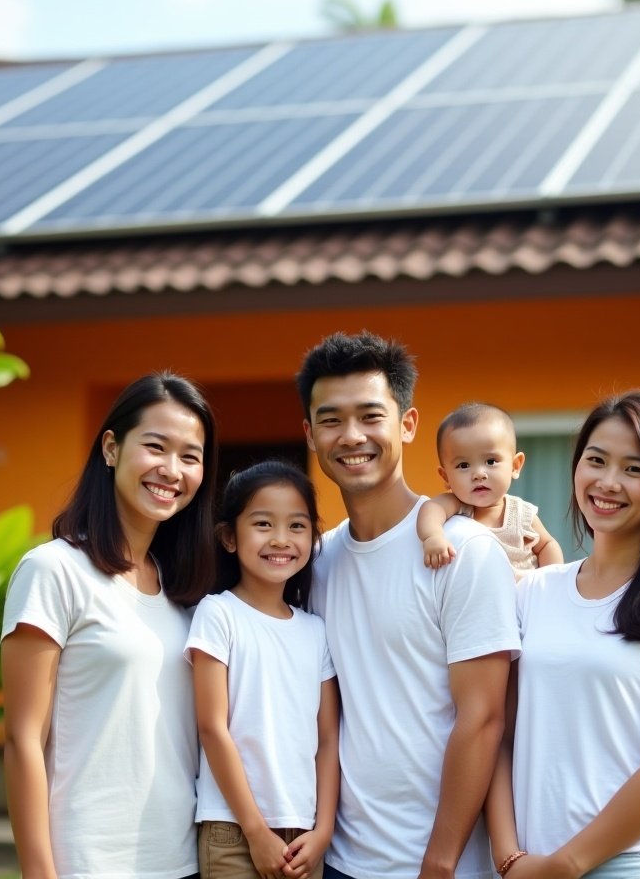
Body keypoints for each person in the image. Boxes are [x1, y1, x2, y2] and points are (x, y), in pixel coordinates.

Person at [296, 331, 520, 879]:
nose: (352, 436)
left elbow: (485, 717)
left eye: (371, 416)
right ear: (309, 434)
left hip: (439, 867)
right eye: (331, 420)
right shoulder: (316, 561)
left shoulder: (465, 551)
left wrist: (439, 864)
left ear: (408, 424)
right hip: (341, 860)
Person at [485, 389, 640, 879]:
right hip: (528, 867)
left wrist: (566, 865)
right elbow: (500, 733)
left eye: (634, 469)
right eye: (596, 460)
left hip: (628, 865)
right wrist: (508, 856)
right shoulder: (532, 591)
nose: (608, 482)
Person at [1, 371, 219, 879]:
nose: (172, 470)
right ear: (111, 449)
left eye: (190, 456)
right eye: (156, 447)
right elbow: (22, 740)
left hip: (180, 860)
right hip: (89, 861)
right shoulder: (54, 570)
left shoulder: (183, 590)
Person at [187, 460, 339, 879]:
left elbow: (327, 739)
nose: (280, 539)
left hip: (305, 834)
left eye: (296, 526)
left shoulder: (315, 629)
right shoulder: (218, 614)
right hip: (233, 830)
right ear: (229, 538)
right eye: (262, 524)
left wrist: (323, 828)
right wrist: (256, 830)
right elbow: (212, 728)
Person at [416, 402, 563, 574]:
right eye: (463, 465)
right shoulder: (457, 506)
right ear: (446, 477)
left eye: (491, 462)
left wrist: (551, 579)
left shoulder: (520, 514)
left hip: (526, 595)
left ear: (515, 466)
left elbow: (547, 545)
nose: (479, 474)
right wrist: (432, 537)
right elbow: (431, 509)